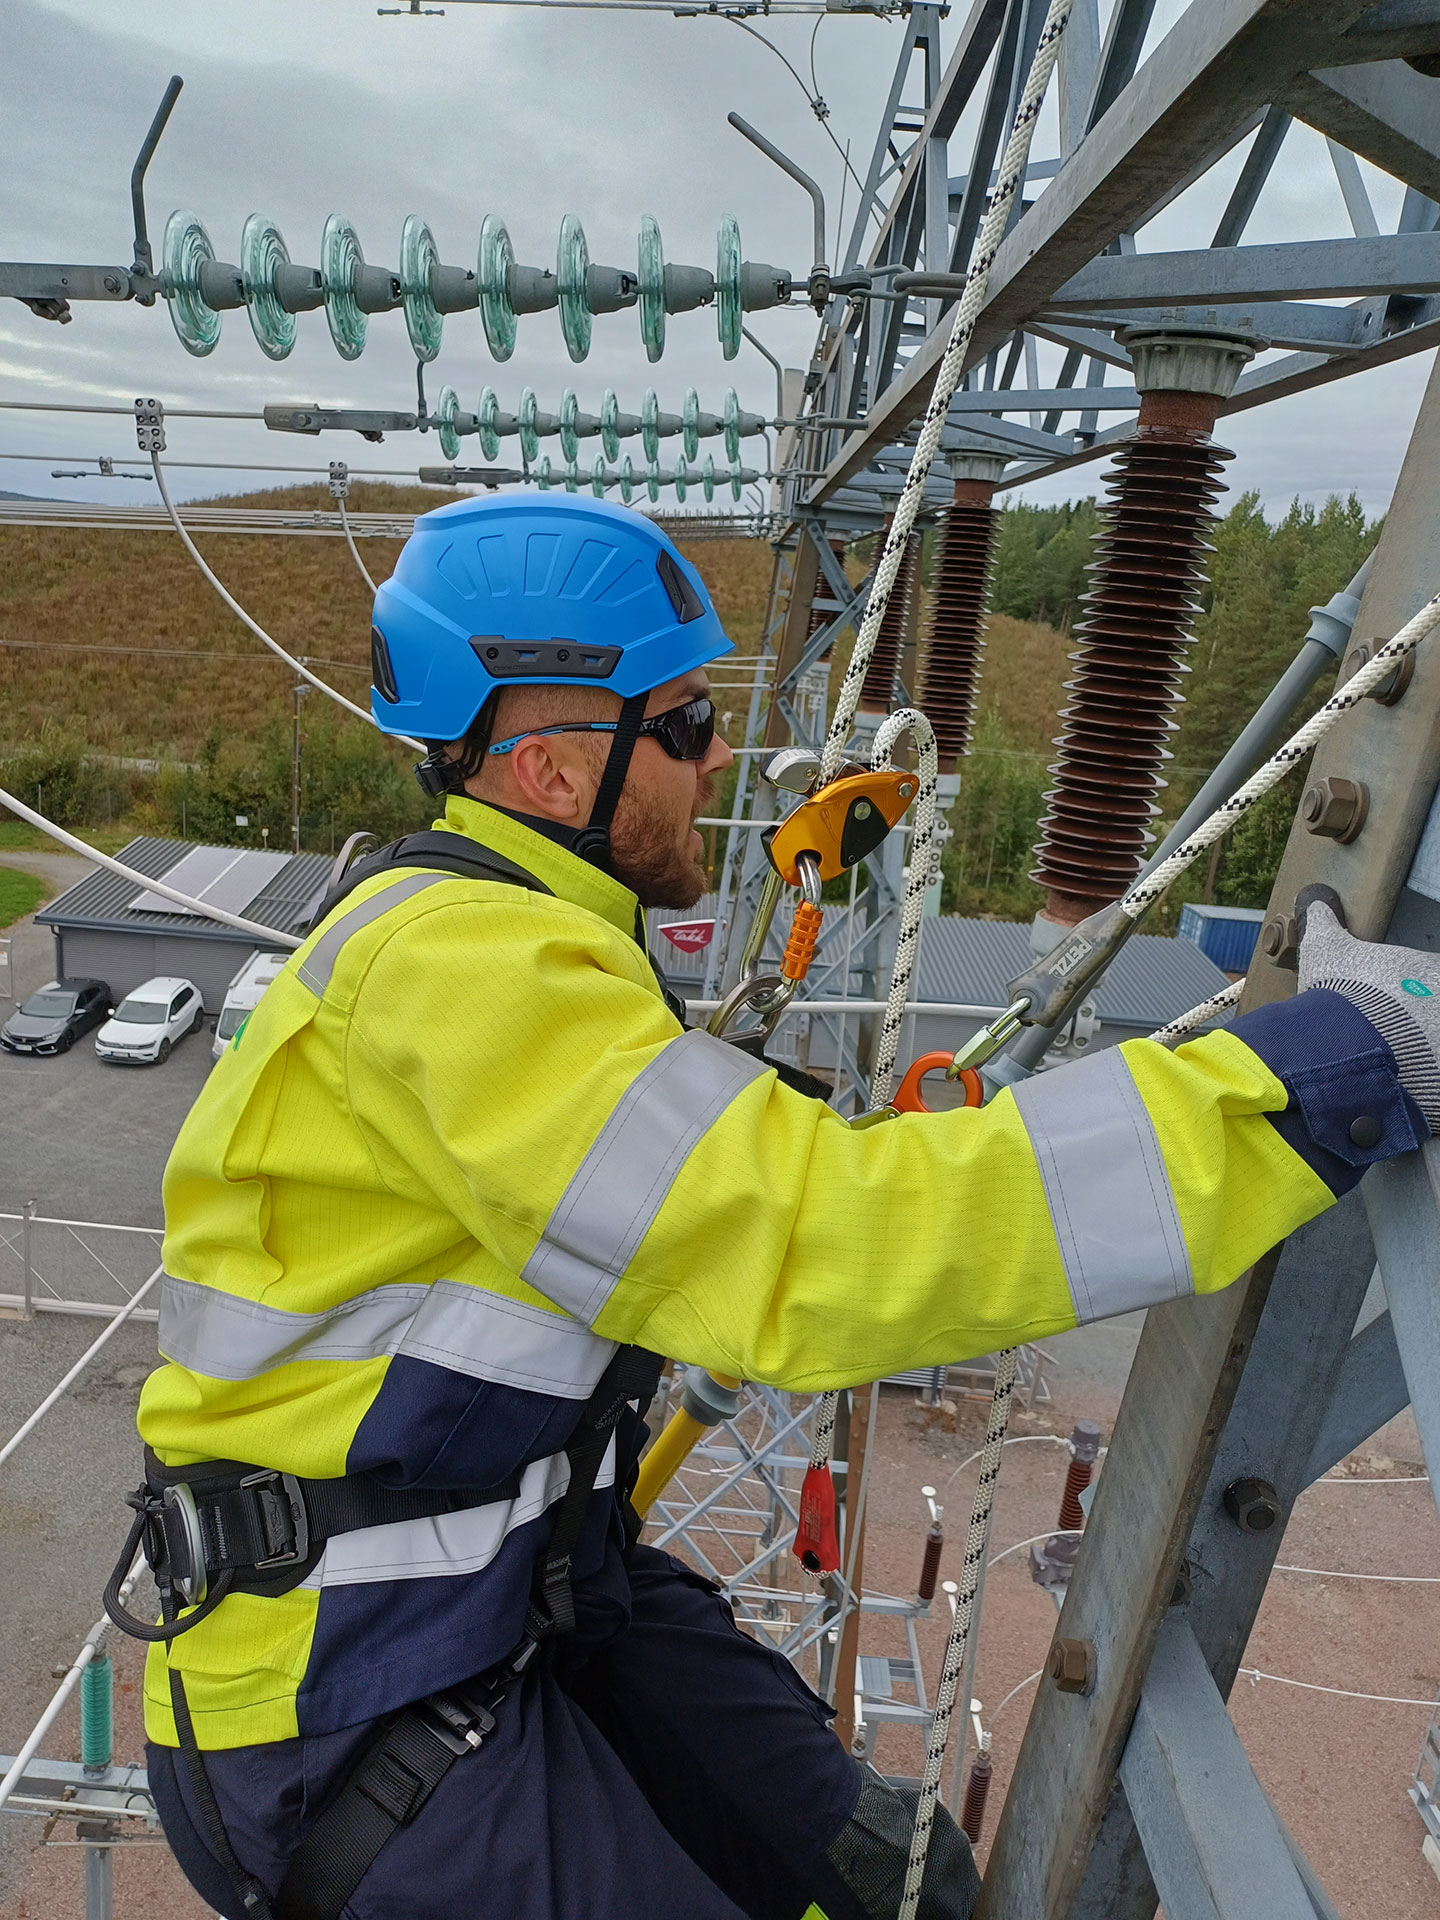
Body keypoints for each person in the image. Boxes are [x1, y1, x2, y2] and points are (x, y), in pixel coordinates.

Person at [111, 494, 1440, 1920]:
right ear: (554, 770)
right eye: (682, 727)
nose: (720, 756)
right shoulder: (463, 973)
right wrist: (1326, 1072)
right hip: (338, 1698)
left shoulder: (521, 941)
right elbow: (824, 1247)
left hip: (514, 1596)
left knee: (883, 1886)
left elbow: (663, 1158)